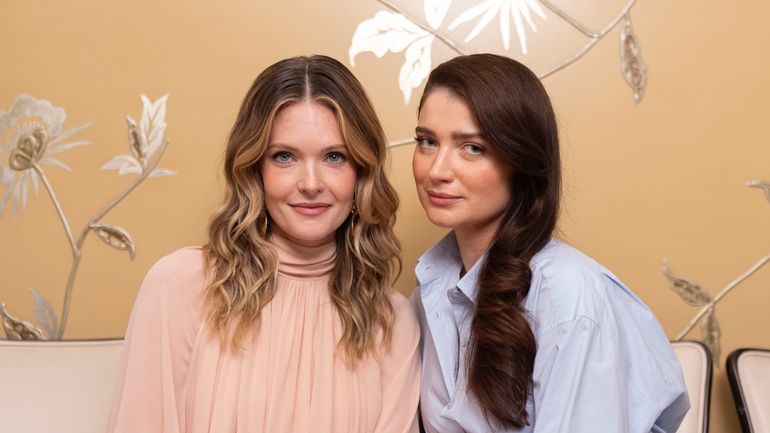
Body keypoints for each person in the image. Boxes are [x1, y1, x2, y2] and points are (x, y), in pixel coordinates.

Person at [108, 55, 420, 433]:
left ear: (361, 174)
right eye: (284, 157)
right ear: (255, 170)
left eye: (334, 157)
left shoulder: (391, 319)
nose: (310, 183)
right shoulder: (178, 286)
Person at [411, 53, 689, 433]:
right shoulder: (430, 286)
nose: (437, 170)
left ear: (521, 161)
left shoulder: (567, 298)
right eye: (427, 141)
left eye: (472, 147)